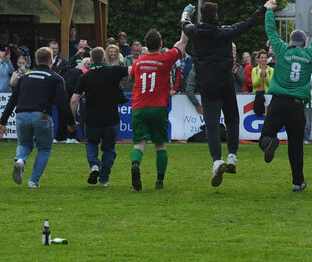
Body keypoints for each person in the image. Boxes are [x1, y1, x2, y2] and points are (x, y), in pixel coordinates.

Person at [182, 0, 269, 186]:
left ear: (201, 16)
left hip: (207, 84)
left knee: (212, 125)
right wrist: (264, 7)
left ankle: (216, 161)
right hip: (225, 82)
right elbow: (247, 23)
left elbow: (184, 22)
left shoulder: (194, 32)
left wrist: (187, 10)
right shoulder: (225, 32)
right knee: (232, 119)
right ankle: (232, 156)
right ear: (216, 15)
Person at [258, 1, 312, 191]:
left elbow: (271, 32)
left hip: (278, 102)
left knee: (265, 135)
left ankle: (268, 143)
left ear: (290, 42)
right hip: (297, 105)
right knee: (296, 146)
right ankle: (297, 182)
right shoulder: (309, 54)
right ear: (304, 44)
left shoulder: (281, 50)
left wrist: (269, 11)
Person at [0, 47, 77, 187]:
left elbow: (12, 100)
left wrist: (3, 122)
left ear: (36, 60)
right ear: (51, 60)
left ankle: (20, 160)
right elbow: (63, 103)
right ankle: (33, 181)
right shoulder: (56, 78)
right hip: (42, 115)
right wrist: (71, 123)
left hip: (21, 114)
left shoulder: (24, 77)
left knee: (24, 144)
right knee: (44, 148)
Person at [129, 29, 188, 190]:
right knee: (160, 145)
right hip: (158, 106)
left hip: (139, 107)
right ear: (161, 44)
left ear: (146, 45)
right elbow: (182, 43)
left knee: (139, 144)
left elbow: (131, 77)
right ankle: (159, 181)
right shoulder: (165, 59)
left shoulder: (137, 63)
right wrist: (185, 22)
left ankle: (135, 163)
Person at [71, 47, 129, 186]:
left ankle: (94, 165)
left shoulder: (84, 77)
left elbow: (74, 99)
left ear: (91, 60)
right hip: (111, 119)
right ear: (104, 59)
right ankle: (104, 179)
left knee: (91, 143)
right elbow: (133, 70)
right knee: (108, 149)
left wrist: (72, 120)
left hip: (92, 119)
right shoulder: (114, 71)